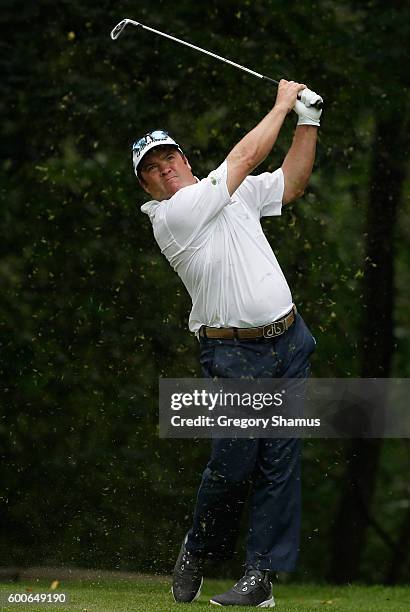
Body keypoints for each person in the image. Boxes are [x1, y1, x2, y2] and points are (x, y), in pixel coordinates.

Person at [134, 80, 322, 607]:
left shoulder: (232, 192)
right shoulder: (173, 216)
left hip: (290, 342)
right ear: (147, 188)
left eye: (168, 157)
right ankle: (198, 547)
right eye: (151, 168)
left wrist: (309, 121)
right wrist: (284, 104)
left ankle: (260, 578)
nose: (163, 169)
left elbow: (289, 184)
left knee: (279, 462)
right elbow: (243, 156)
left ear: (184, 158)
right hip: (234, 352)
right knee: (236, 459)